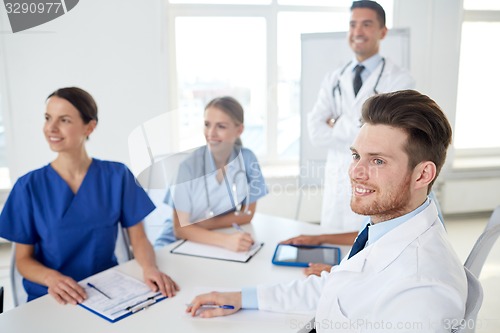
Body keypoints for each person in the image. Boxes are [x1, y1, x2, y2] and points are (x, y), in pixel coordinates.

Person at [187, 90, 467, 332]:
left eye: (378, 161)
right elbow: (338, 288)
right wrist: (242, 297)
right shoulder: (389, 228)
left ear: (422, 175)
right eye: (356, 155)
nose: (355, 172)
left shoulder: (421, 293)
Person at [0, 87, 179, 304]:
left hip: (107, 290)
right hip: (51, 297)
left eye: (64, 120)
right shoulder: (28, 186)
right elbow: (23, 260)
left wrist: (150, 269)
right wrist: (52, 278)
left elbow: (139, 238)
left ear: (90, 127)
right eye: (48, 118)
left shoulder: (117, 176)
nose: (51, 128)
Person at [308, 0, 415, 232]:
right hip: (337, 180)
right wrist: (361, 125)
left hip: (375, 180)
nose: (357, 31)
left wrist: (336, 123)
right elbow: (315, 131)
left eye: (366, 24)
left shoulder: (399, 80)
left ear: (382, 32)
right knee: (333, 251)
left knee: (369, 250)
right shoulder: (334, 78)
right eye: (353, 24)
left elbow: (389, 140)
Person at [154, 96, 268, 252]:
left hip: (215, 238)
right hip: (174, 244)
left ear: (239, 130)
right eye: (207, 125)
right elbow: (180, 228)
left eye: (221, 126)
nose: (211, 133)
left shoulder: (247, 159)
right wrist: (225, 241)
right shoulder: (187, 167)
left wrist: (203, 224)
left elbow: (247, 214)